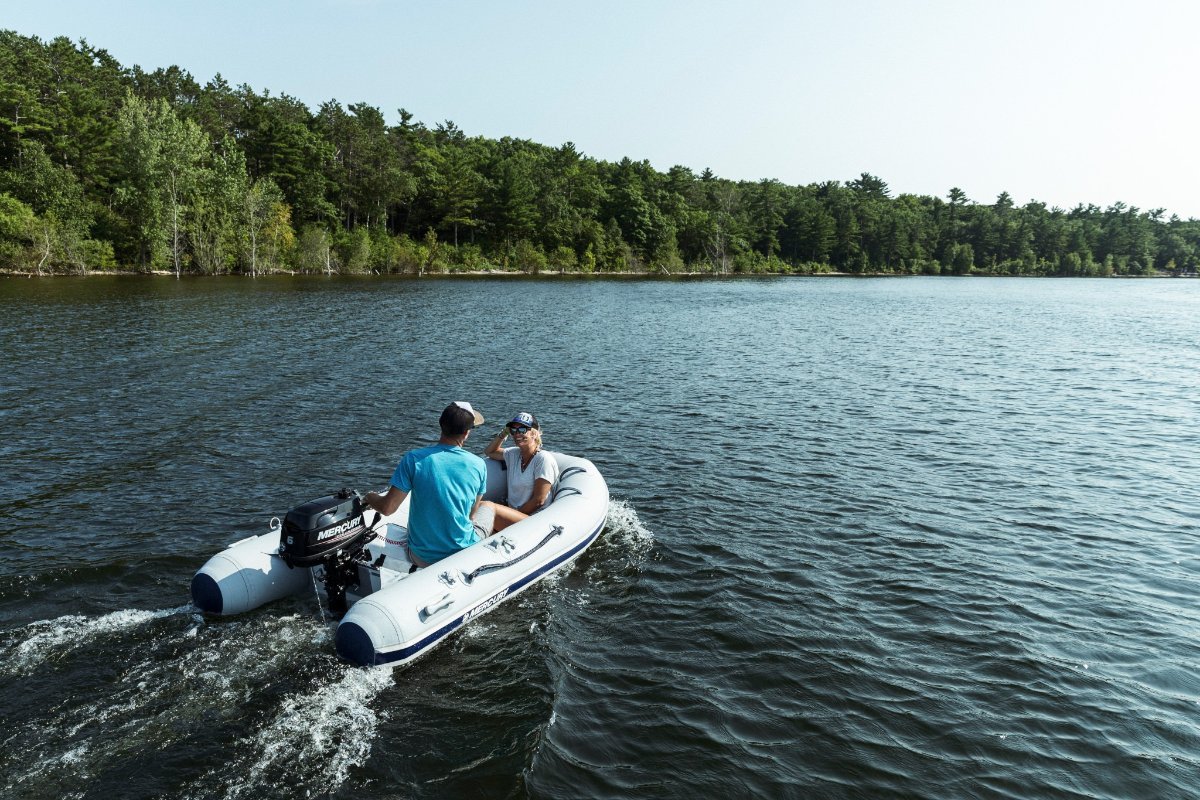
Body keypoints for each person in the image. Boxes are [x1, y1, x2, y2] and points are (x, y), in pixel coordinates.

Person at [361, 401, 492, 569]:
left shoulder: (413, 459)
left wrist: (370, 497)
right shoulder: (478, 464)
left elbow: (388, 509)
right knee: (489, 507)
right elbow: (471, 515)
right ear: (466, 433)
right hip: (462, 553)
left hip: (421, 556)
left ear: (441, 425)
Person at [479, 411, 560, 533]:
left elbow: (539, 500)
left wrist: (510, 514)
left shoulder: (543, 459)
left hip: (534, 519)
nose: (517, 434)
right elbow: (489, 452)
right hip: (515, 515)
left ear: (534, 433)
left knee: (487, 507)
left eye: (522, 430)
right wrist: (504, 433)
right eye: (513, 430)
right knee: (480, 508)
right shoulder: (513, 454)